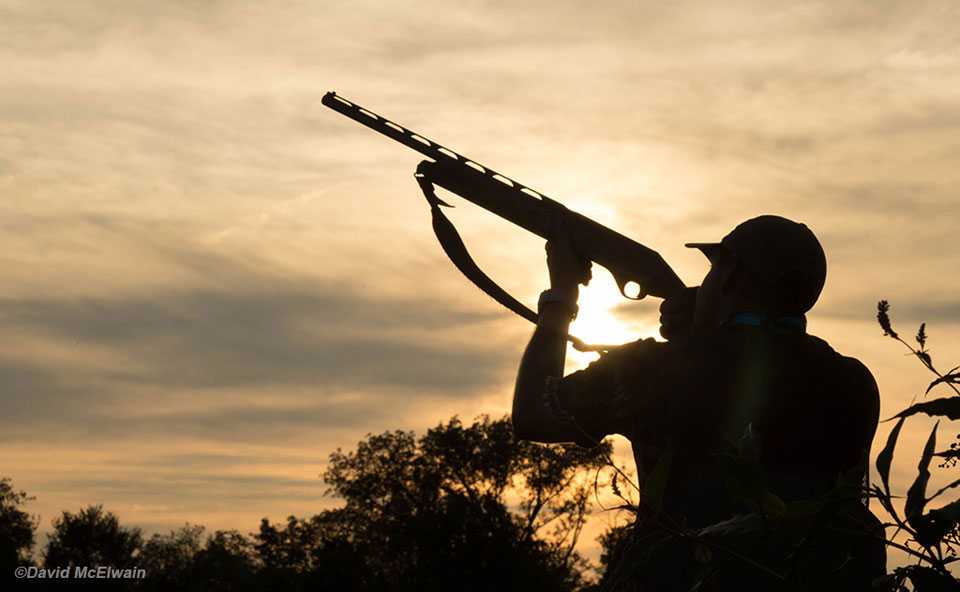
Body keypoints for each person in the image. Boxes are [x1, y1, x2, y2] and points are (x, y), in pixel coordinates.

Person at [512, 215, 885, 590]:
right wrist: (708, 325)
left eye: (711, 270)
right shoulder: (854, 383)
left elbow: (534, 413)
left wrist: (560, 297)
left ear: (731, 272)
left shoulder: (654, 370)